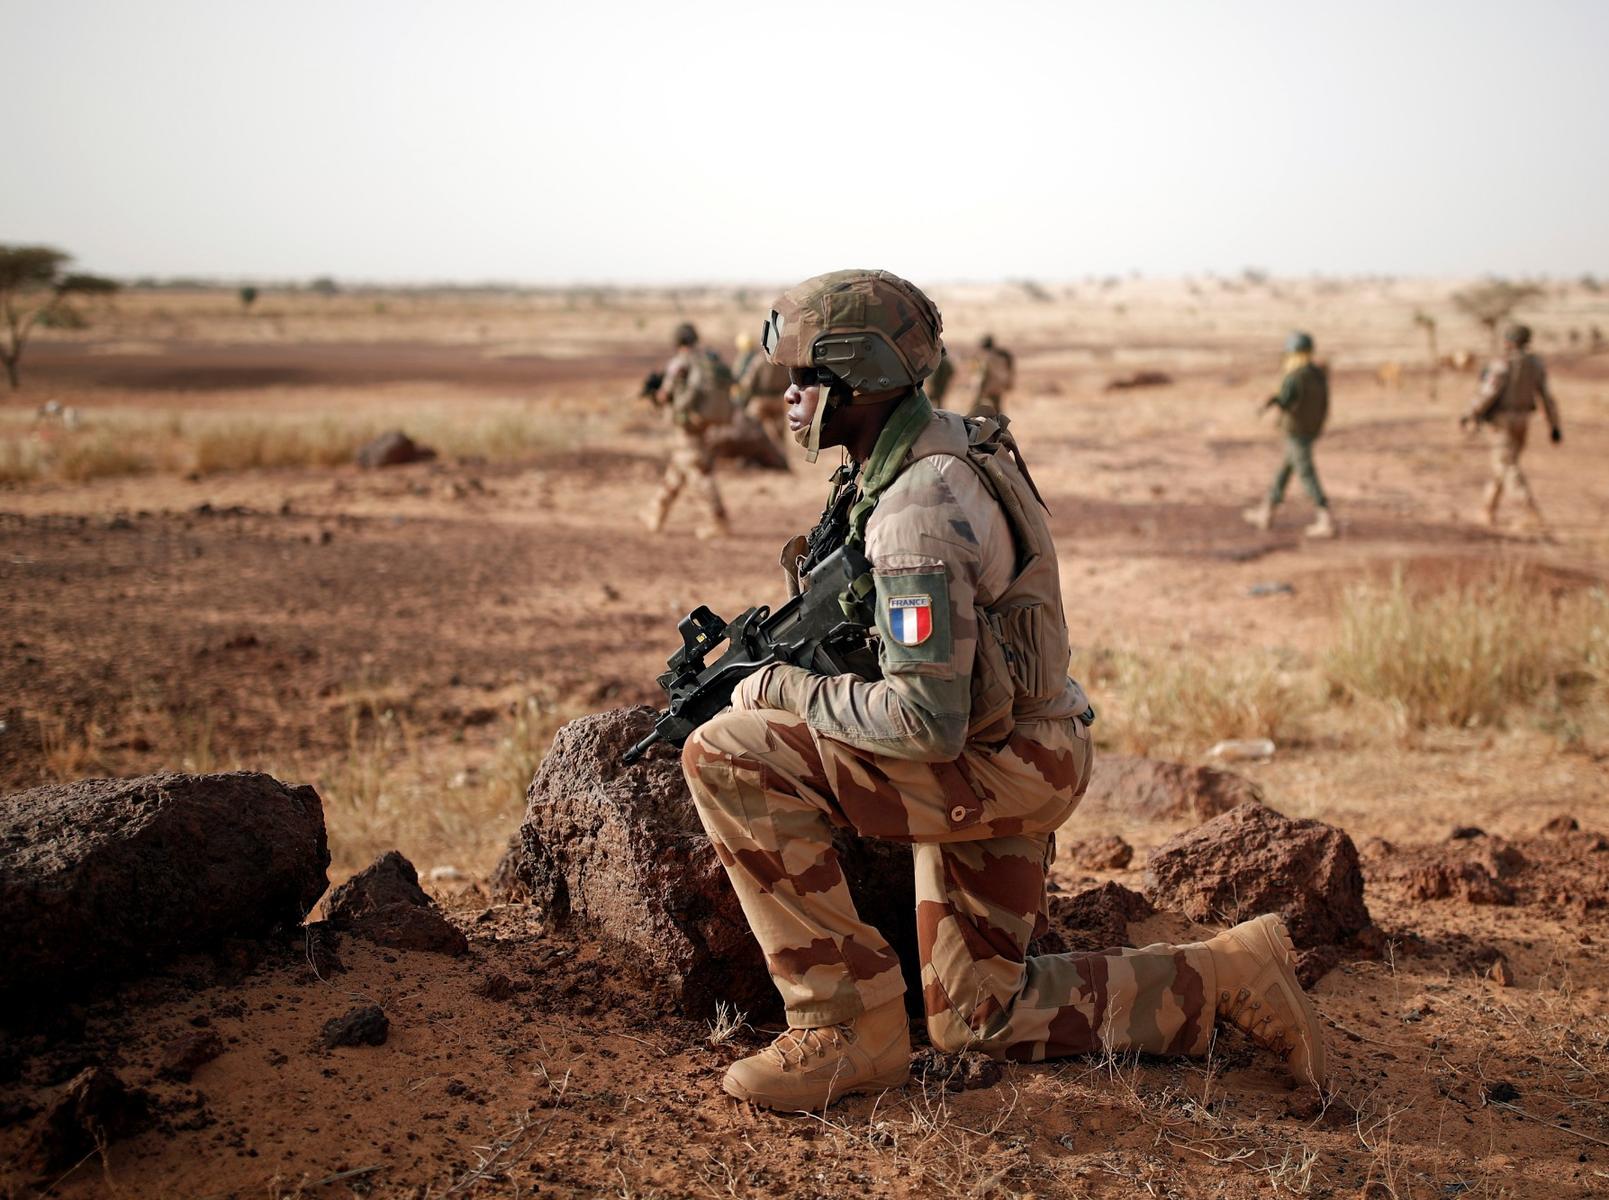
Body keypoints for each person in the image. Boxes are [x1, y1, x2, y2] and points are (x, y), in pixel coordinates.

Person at [679, 269, 1327, 1113]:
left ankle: (843, 1026)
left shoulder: (914, 512)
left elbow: (925, 722)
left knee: (727, 753)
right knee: (977, 1015)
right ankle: (1227, 972)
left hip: (995, 764)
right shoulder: (936, 445)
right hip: (1029, 744)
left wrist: (782, 689)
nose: (788, 396)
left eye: (806, 376)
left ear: (860, 377)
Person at [1460, 324, 1562, 525]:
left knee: (1506, 466)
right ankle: (1487, 510)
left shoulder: (1502, 364)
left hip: (1501, 423)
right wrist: (1554, 425)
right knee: (1504, 464)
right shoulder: (1535, 364)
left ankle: (1530, 512)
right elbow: (1546, 397)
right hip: (1523, 421)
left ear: (1508, 341)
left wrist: (1470, 413)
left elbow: (1488, 393)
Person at [1243, 331, 1335, 538]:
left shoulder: (1294, 376)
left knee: (1306, 473)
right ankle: (1266, 511)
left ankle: (1325, 519)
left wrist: (1270, 401)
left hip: (1296, 431)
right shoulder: (1317, 373)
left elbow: (1285, 400)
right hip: (1312, 429)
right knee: (1284, 471)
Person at [644, 322, 731, 538]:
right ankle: (655, 514)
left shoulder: (680, 362)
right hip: (701, 424)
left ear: (677, 341)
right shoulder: (706, 359)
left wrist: (655, 396)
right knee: (676, 471)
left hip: (687, 426)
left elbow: (666, 394)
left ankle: (717, 522)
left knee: (699, 473)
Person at [732, 330, 793, 449]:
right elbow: (790, 380)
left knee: (751, 425)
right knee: (779, 434)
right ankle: (781, 454)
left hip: (760, 401)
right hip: (778, 400)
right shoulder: (783, 360)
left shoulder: (759, 359)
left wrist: (742, 395)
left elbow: (749, 381)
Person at [967, 333, 1015, 418]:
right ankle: (999, 424)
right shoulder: (1002, 356)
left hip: (986, 386)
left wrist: (979, 386)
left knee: (974, 407)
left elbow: (983, 373)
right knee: (997, 408)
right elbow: (1009, 371)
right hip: (998, 386)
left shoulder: (986, 357)